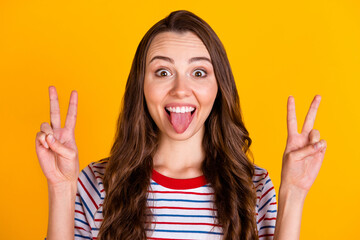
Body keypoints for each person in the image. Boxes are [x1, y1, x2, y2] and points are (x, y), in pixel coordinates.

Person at [36, 10, 327, 240]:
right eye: (162, 72)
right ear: (141, 87)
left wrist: (294, 193)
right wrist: (61, 190)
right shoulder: (95, 184)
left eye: (198, 72)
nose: (180, 90)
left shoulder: (255, 189)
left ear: (219, 87)